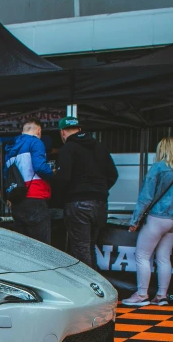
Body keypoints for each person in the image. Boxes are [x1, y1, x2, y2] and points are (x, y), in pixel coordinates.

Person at [56, 116, 118, 268]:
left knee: (80, 249)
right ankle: (97, 285)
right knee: (90, 247)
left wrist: (61, 197)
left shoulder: (67, 149)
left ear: (62, 132)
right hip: (100, 203)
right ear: (79, 129)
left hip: (78, 203)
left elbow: (63, 178)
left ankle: (88, 289)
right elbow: (113, 175)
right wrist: (99, 190)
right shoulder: (100, 147)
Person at [122, 137, 173, 306]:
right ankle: (161, 295)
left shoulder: (158, 168)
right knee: (164, 258)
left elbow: (145, 197)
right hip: (172, 220)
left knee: (143, 255)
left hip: (157, 218)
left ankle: (142, 295)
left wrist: (135, 220)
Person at [4, 118, 53, 244]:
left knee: (23, 247)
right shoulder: (36, 142)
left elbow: (6, 176)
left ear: (22, 131)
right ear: (39, 131)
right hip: (35, 198)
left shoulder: (10, 149)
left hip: (17, 200)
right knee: (42, 247)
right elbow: (40, 167)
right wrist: (54, 176)